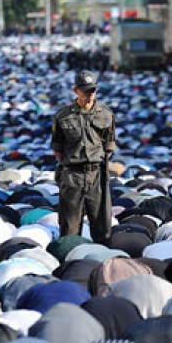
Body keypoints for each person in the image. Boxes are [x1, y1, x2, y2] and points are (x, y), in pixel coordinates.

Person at [51, 70, 116, 244]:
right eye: (86, 91)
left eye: (92, 91)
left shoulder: (106, 114)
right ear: (76, 91)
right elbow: (57, 148)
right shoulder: (63, 115)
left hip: (97, 174)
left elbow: (109, 145)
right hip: (72, 175)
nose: (89, 95)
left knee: (101, 225)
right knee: (70, 227)